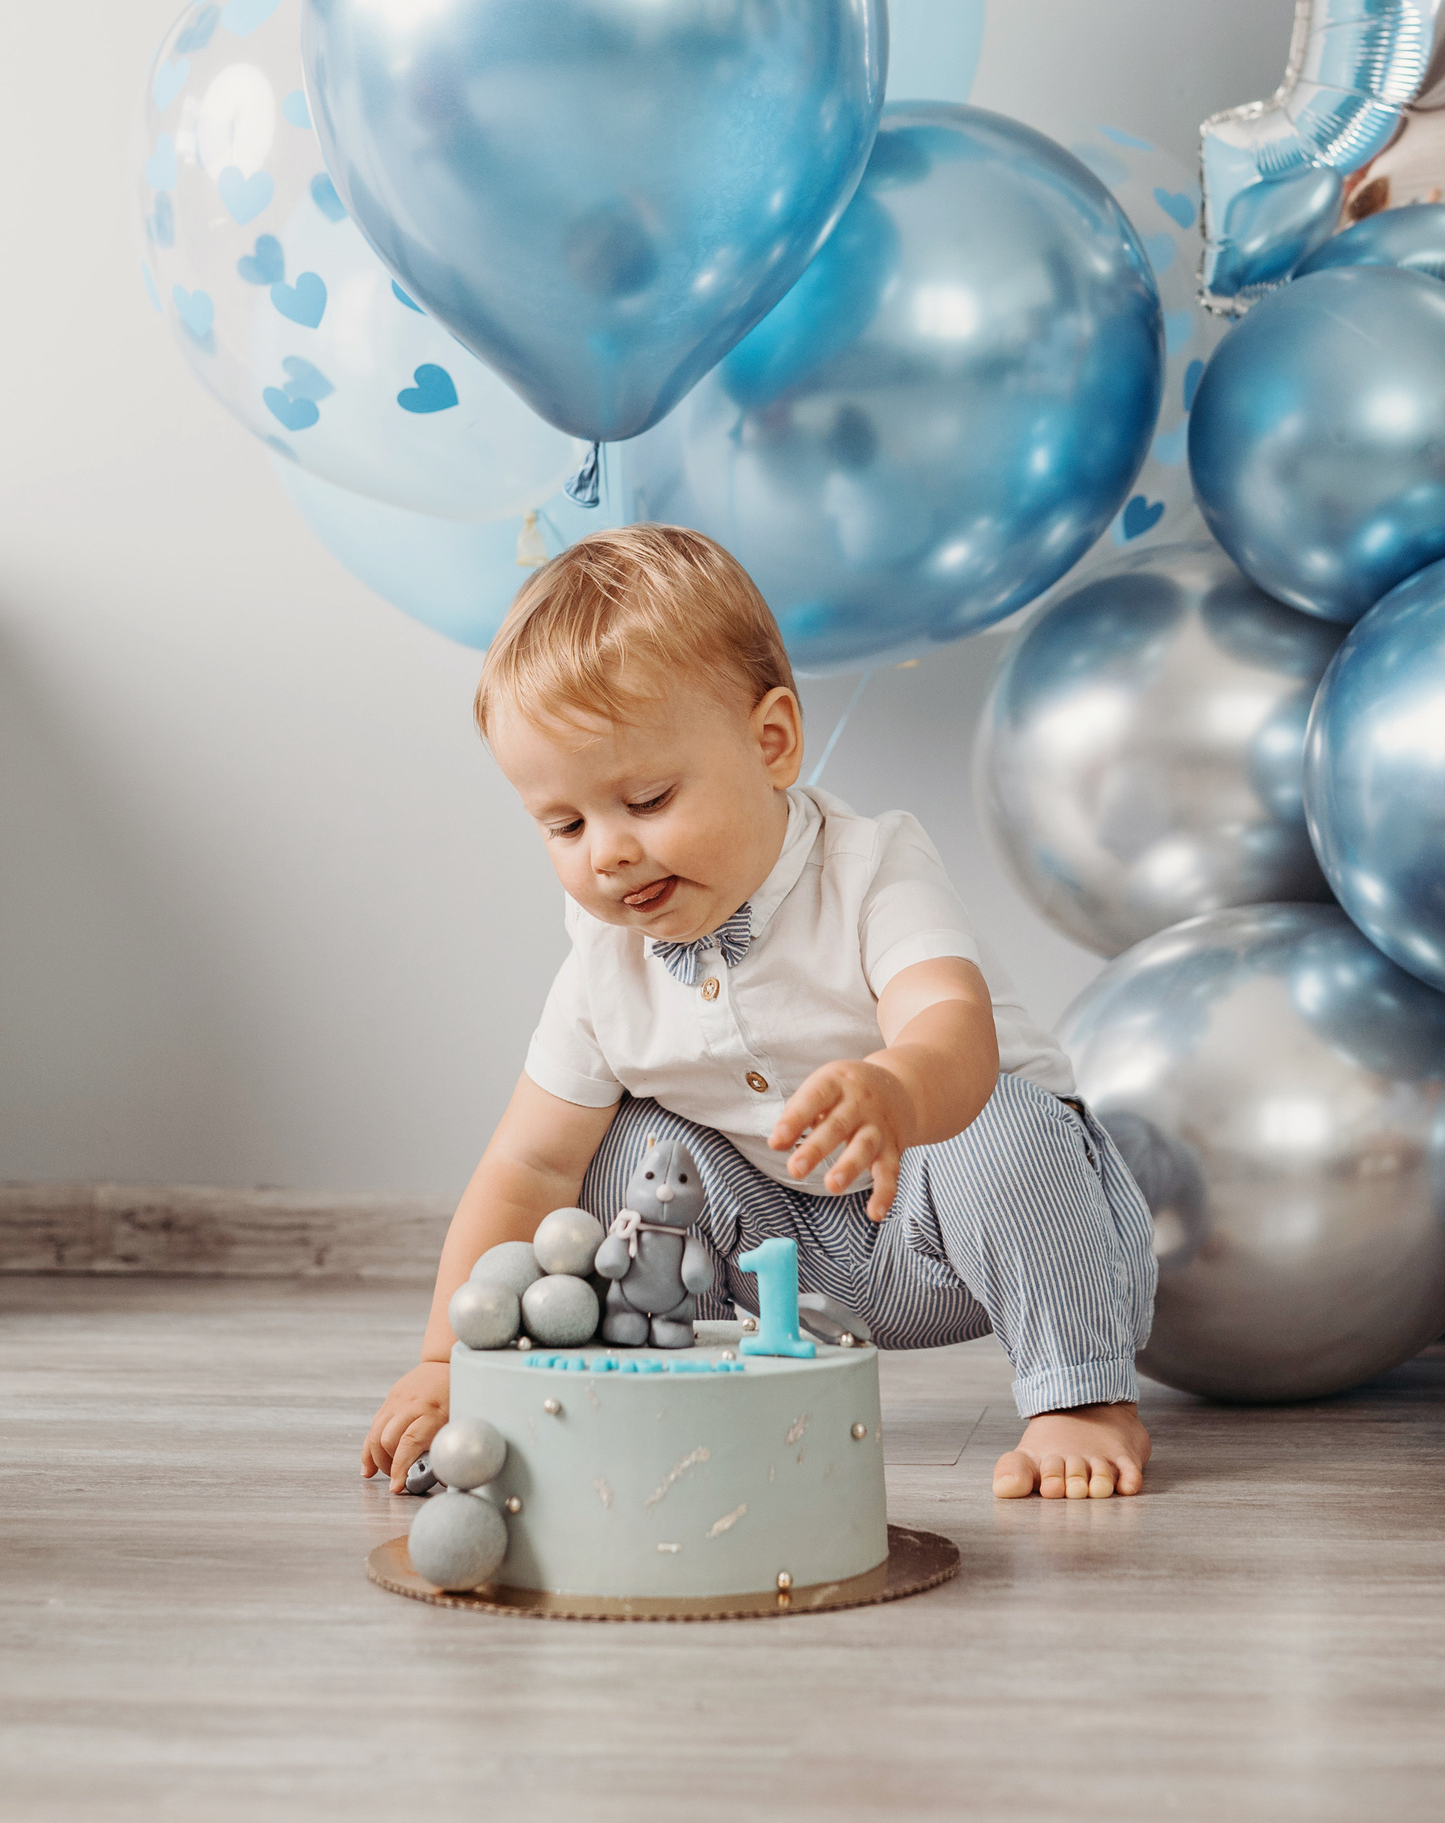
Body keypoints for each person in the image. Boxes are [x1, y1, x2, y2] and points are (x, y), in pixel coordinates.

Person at [361, 525, 1155, 1503]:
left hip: (955, 1229)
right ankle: (663, 1376)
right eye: (564, 824)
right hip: (780, 1257)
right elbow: (526, 1167)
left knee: (1000, 1124)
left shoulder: (870, 869)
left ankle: (1082, 1394)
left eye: (647, 799)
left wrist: (898, 1092)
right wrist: (446, 1357)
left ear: (771, 743)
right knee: (619, 1151)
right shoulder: (604, 957)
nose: (607, 853)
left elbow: (954, 1026)